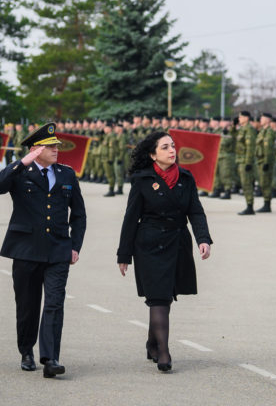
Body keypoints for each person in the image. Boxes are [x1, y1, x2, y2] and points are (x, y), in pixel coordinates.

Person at [0, 123, 86, 377]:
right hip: (25, 250)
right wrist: (22, 162)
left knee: (54, 303)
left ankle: (51, 358)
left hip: (58, 249)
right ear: (35, 149)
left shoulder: (66, 174)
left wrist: (75, 245)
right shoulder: (20, 173)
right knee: (28, 305)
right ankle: (26, 351)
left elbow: (78, 214)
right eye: (50, 146)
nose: (56, 150)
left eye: (57, 146)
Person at [117, 131, 213, 373]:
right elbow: (131, 218)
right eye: (165, 147)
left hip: (177, 242)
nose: (172, 151)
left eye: (173, 146)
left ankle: (152, 343)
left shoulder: (185, 178)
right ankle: (164, 352)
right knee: (158, 298)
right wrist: (123, 254)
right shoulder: (142, 180)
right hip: (149, 244)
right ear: (153, 155)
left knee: (164, 297)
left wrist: (203, 239)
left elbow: (196, 211)